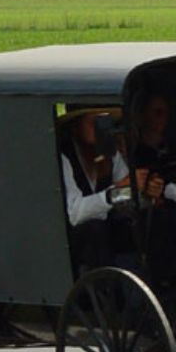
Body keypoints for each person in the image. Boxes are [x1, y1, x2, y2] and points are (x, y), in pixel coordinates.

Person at [58, 106, 159, 274]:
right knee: (95, 229)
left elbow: (124, 196)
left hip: (106, 236)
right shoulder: (64, 158)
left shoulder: (110, 154)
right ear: (76, 126)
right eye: (94, 122)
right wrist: (116, 192)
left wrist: (144, 192)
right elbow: (74, 213)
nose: (101, 129)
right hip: (72, 243)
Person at [129, 93, 176, 288]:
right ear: (143, 117)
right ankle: (170, 282)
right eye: (157, 113)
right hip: (149, 215)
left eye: (165, 113)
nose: (162, 118)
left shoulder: (175, 148)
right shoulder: (134, 154)